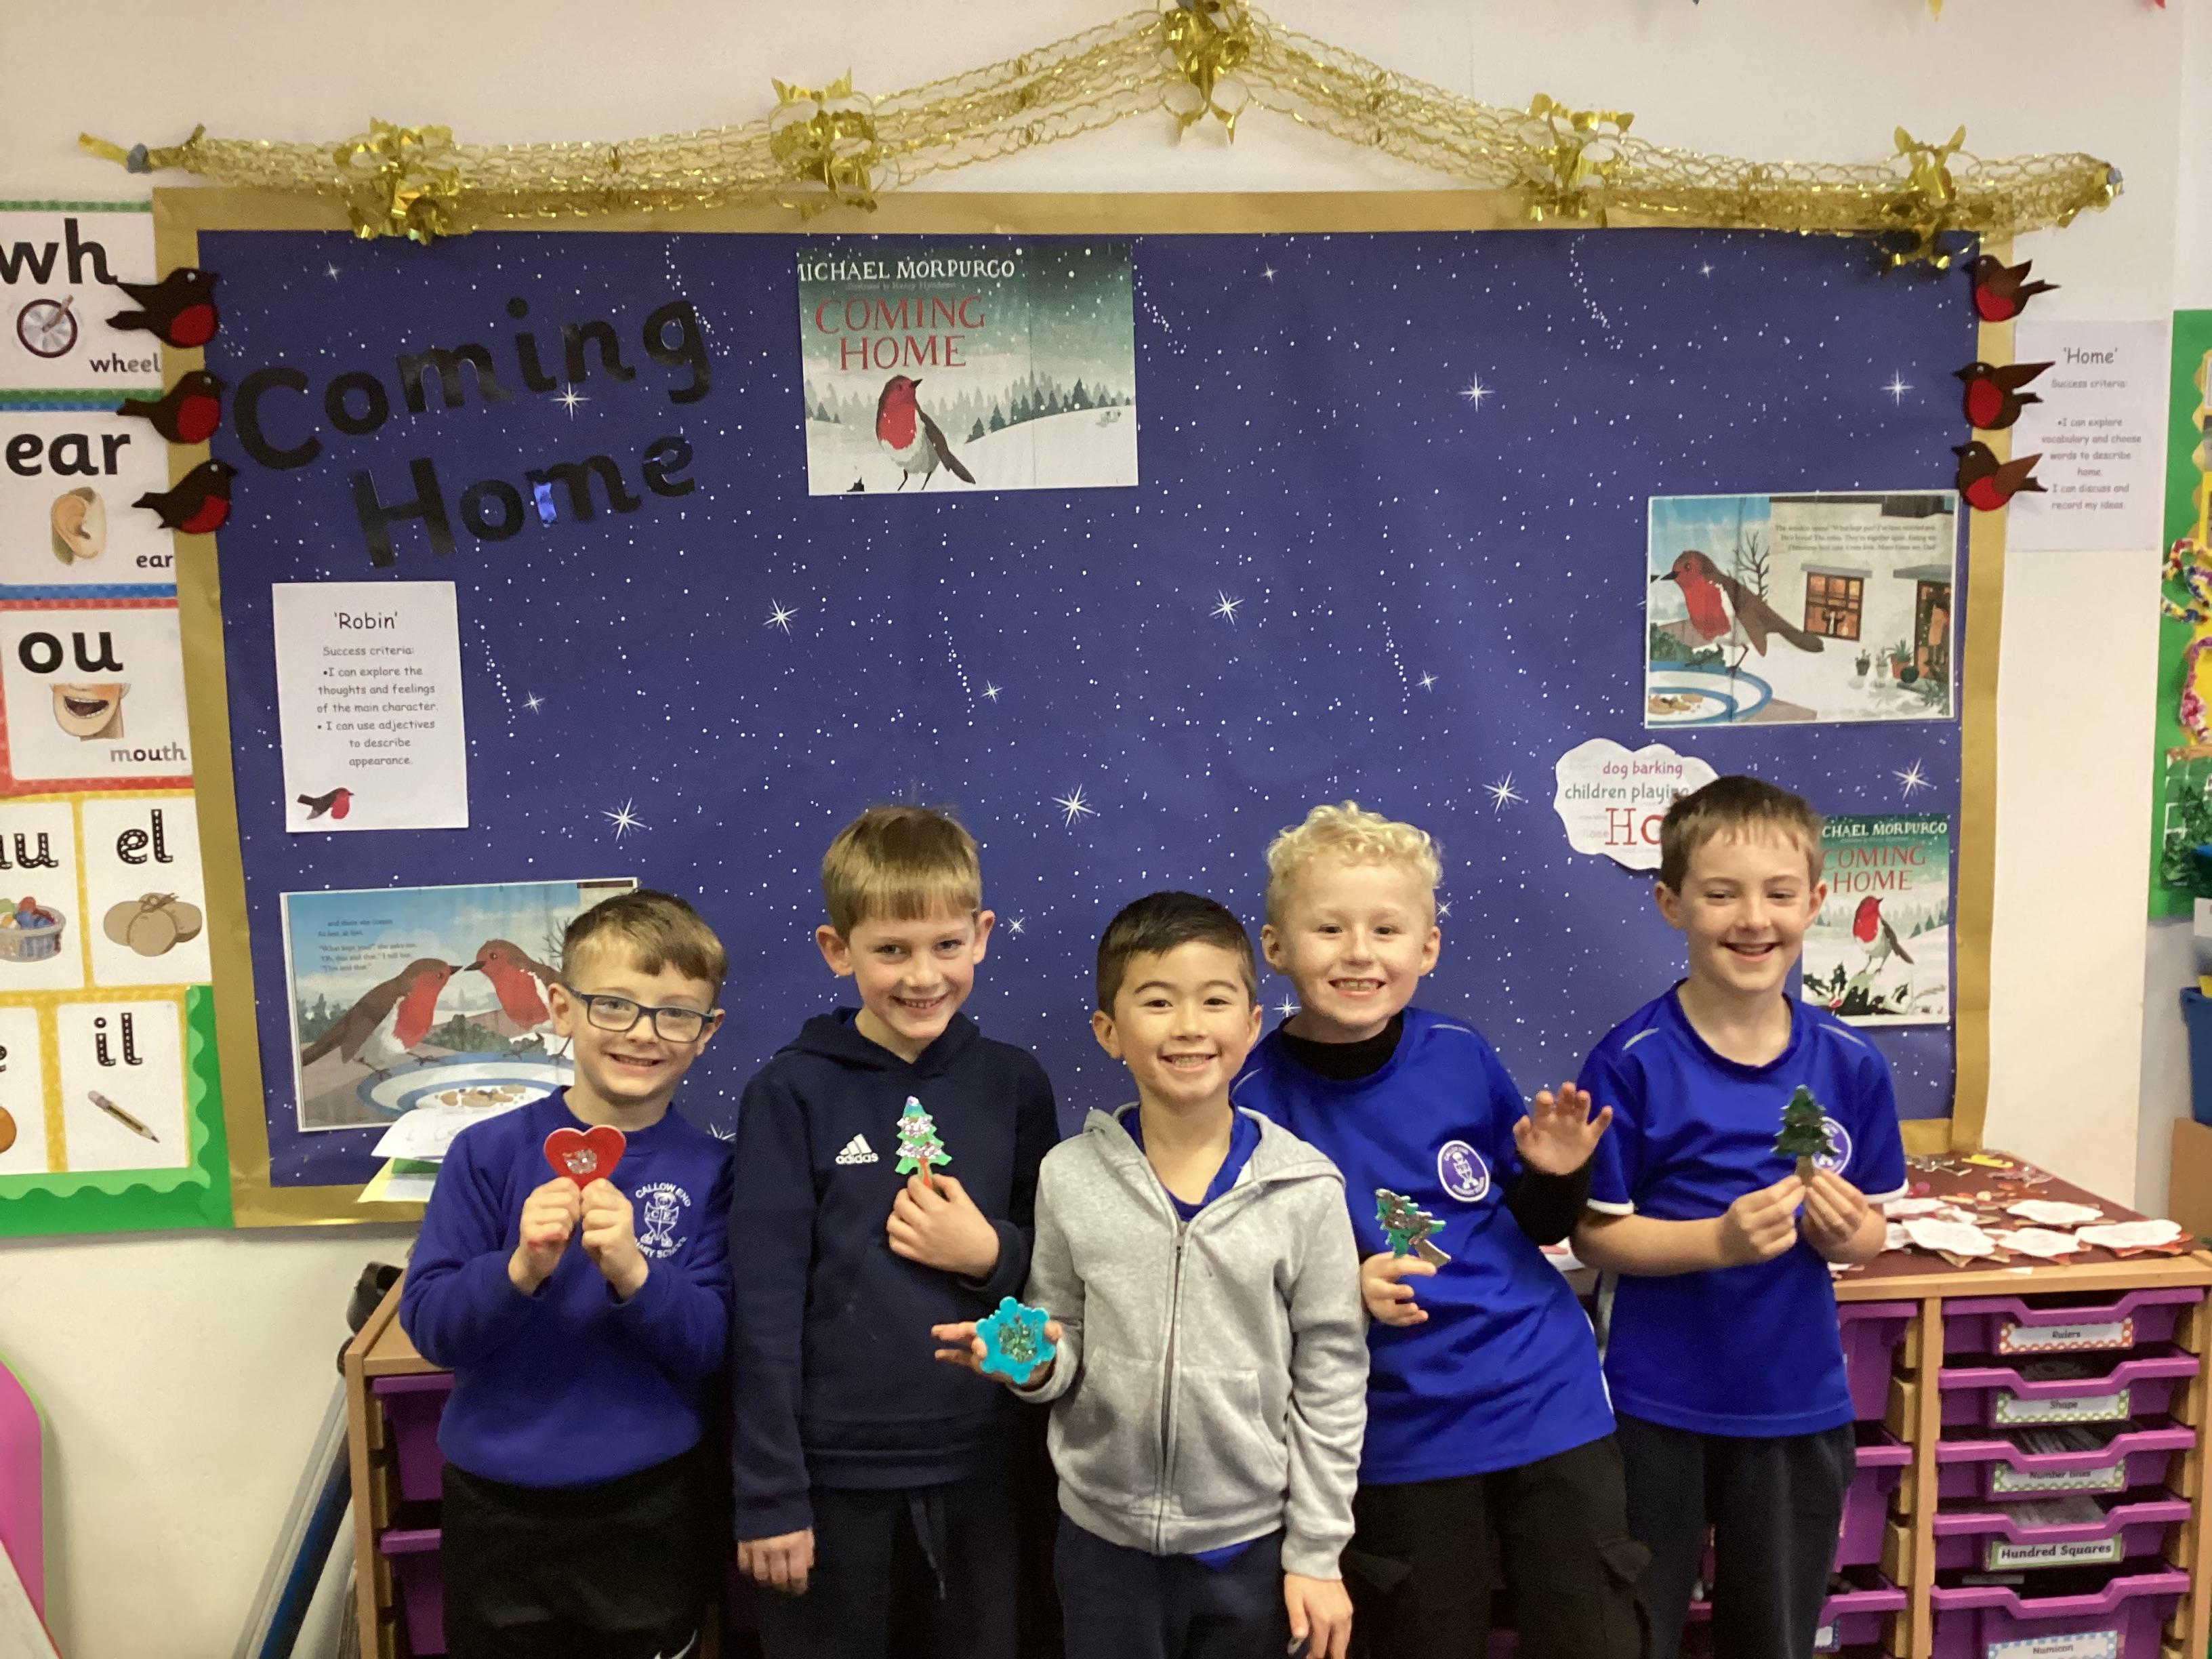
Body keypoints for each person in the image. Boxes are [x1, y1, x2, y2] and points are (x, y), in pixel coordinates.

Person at [1233, 802, 1646, 1658]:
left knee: (1594, 1635)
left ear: (1427, 949)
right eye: (1329, 928)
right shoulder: (1249, 1100)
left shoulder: (1459, 1050)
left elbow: (1533, 1224)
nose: (1359, 952)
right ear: (1276, 947)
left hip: (1545, 1399)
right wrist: (1340, 1290)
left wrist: (1558, 1174)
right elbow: (1237, 1286)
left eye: (1386, 930)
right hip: (1397, 1433)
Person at [936, 890, 1368, 1659]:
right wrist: (1031, 1364)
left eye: (1214, 1001)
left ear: (1251, 1025)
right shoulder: (1069, 1175)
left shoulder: (1306, 1189)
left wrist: (1317, 1552)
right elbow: (1058, 1331)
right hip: (1103, 1545)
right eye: (1159, 1002)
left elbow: (1331, 1379)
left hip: (1252, 1548)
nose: (1189, 1026)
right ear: (1110, 1032)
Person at [1573, 776, 1905, 1659]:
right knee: (1635, 1634)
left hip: (1796, 1405)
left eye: (1779, 894)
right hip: (1651, 1407)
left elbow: (1875, 1229)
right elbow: (1594, 1235)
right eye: (1721, 894)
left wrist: (1849, 1236)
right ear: (1671, 904)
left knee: (1775, 1637)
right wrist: (1715, 1242)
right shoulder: (1631, 1061)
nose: (1753, 919)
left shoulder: (1851, 1062)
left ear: (1816, 902)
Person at [731, 804, 1059, 1659]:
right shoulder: (789, 1095)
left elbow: (1056, 1279)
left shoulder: (1015, 1085)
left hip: (986, 1467)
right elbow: (762, 1308)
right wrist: (771, 1495)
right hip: (833, 1477)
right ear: (838, 950)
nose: (923, 975)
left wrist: (991, 1255)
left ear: (982, 936)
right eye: (891, 950)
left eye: (947, 944)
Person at [399, 889, 734, 1659]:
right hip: (496, 1510)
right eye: (613, 1005)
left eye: (676, 1014)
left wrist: (636, 1275)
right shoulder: (486, 1154)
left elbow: (711, 1345)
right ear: (561, 1007)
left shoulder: (715, 1171)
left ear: (706, 1032)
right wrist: (519, 1268)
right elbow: (434, 1330)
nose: (643, 1033)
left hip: (648, 1506)